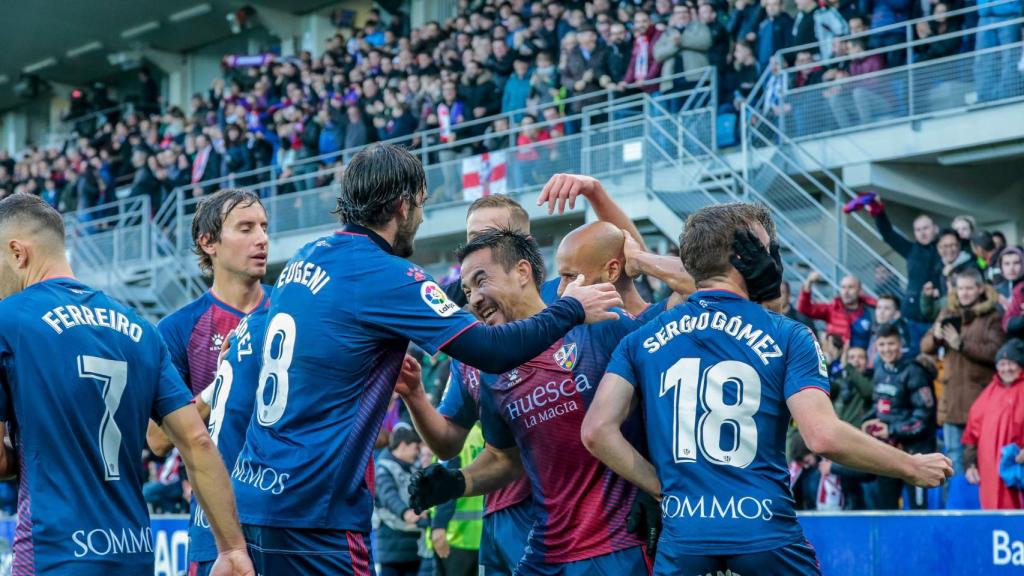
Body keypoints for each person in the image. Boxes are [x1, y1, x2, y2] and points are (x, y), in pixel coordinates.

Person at [230, 143, 622, 575]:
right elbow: (490, 352)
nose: (420, 218)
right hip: (316, 508)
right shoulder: (388, 275)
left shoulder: (303, 259)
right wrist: (572, 308)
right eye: (420, 205)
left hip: (256, 496)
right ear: (402, 205)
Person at [581, 202, 952, 574]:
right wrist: (911, 466)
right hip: (765, 532)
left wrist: (663, 489)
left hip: (684, 533)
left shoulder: (640, 340)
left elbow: (597, 431)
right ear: (746, 256)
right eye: (765, 245)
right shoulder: (789, 334)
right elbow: (823, 437)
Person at [0, 194, 254, 575]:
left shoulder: (9, 321)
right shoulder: (139, 328)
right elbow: (196, 442)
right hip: (134, 553)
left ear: (18, 253)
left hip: (54, 554)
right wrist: (233, 549)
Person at [408, 229, 651, 575]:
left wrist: (657, 488)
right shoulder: (493, 368)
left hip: (619, 544)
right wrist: (456, 482)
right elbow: (504, 459)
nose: (474, 298)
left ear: (522, 272)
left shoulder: (599, 321)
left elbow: (660, 404)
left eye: (481, 281)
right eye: (466, 291)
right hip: (546, 552)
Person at [148, 307, 269, 576]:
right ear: (211, 260)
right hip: (214, 530)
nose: (264, 260)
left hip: (276, 518)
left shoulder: (284, 300)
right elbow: (157, 438)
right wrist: (223, 381)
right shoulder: (180, 325)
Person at [155, 189, 271, 399]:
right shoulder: (176, 329)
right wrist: (222, 382)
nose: (262, 239)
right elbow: (157, 432)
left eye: (264, 228)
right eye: (246, 229)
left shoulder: (291, 307)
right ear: (208, 243)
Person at [920, 268, 1005, 476]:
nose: (964, 293)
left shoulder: (992, 315)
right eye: (960, 289)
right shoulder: (947, 312)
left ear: (980, 289)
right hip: (951, 401)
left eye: (969, 288)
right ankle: (954, 507)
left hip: (980, 399)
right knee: (952, 462)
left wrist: (962, 344)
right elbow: (925, 346)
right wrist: (936, 336)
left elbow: (997, 352)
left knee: (984, 461)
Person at [861, 324, 939, 510]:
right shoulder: (879, 371)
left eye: (891, 344)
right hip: (887, 453)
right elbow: (877, 406)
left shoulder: (915, 371)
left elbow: (924, 418)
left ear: (900, 344)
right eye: (882, 345)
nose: (887, 349)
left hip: (915, 454)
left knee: (918, 510)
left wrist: (892, 429)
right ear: (876, 347)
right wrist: (867, 423)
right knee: (886, 509)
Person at [857, 196, 942, 343]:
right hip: (911, 315)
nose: (922, 233)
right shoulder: (911, 249)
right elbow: (888, 234)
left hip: (936, 314)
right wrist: (878, 212)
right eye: (918, 230)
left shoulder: (944, 248)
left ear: (935, 228)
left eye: (926, 228)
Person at [963, 339, 1024, 509]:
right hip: (990, 473)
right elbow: (971, 436)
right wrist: (970, 464)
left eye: (1011, 363)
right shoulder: (987, 395)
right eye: (1002, 364)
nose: (1006, 369)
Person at [818, 344, 876, 510]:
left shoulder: (871, 379)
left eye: (860, 357)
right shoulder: (841, 382)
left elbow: (867, 392)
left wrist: (848, 367)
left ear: (867, 361)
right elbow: (823, 388)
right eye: (851, 358)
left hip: (863, 446)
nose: (855, 361)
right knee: (847, 497)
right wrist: (828, 363)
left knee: (867, 501)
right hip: (842, 445)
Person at [376, 425, 429, 576]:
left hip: (413, 544)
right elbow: (388, 495)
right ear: (403, 446)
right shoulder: (383, 469)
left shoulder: (413, 468)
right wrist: (405, 512)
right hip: (391, 543)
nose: (417, 453)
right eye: (415, 448)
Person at [798, 271, 877, 349]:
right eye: (843, 287)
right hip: (837, 359)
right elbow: (804, 309)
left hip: (861, 359)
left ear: (859, 290)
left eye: (850, 287)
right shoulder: (832, 309)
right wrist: (809, 282)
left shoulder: (871, 310)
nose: (846, 292)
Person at [867, 294, 915, 366]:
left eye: (886, 308)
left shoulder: (898, 333)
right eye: (879, 308)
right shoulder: (875, 328)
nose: (881, 312)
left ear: (897, 314)